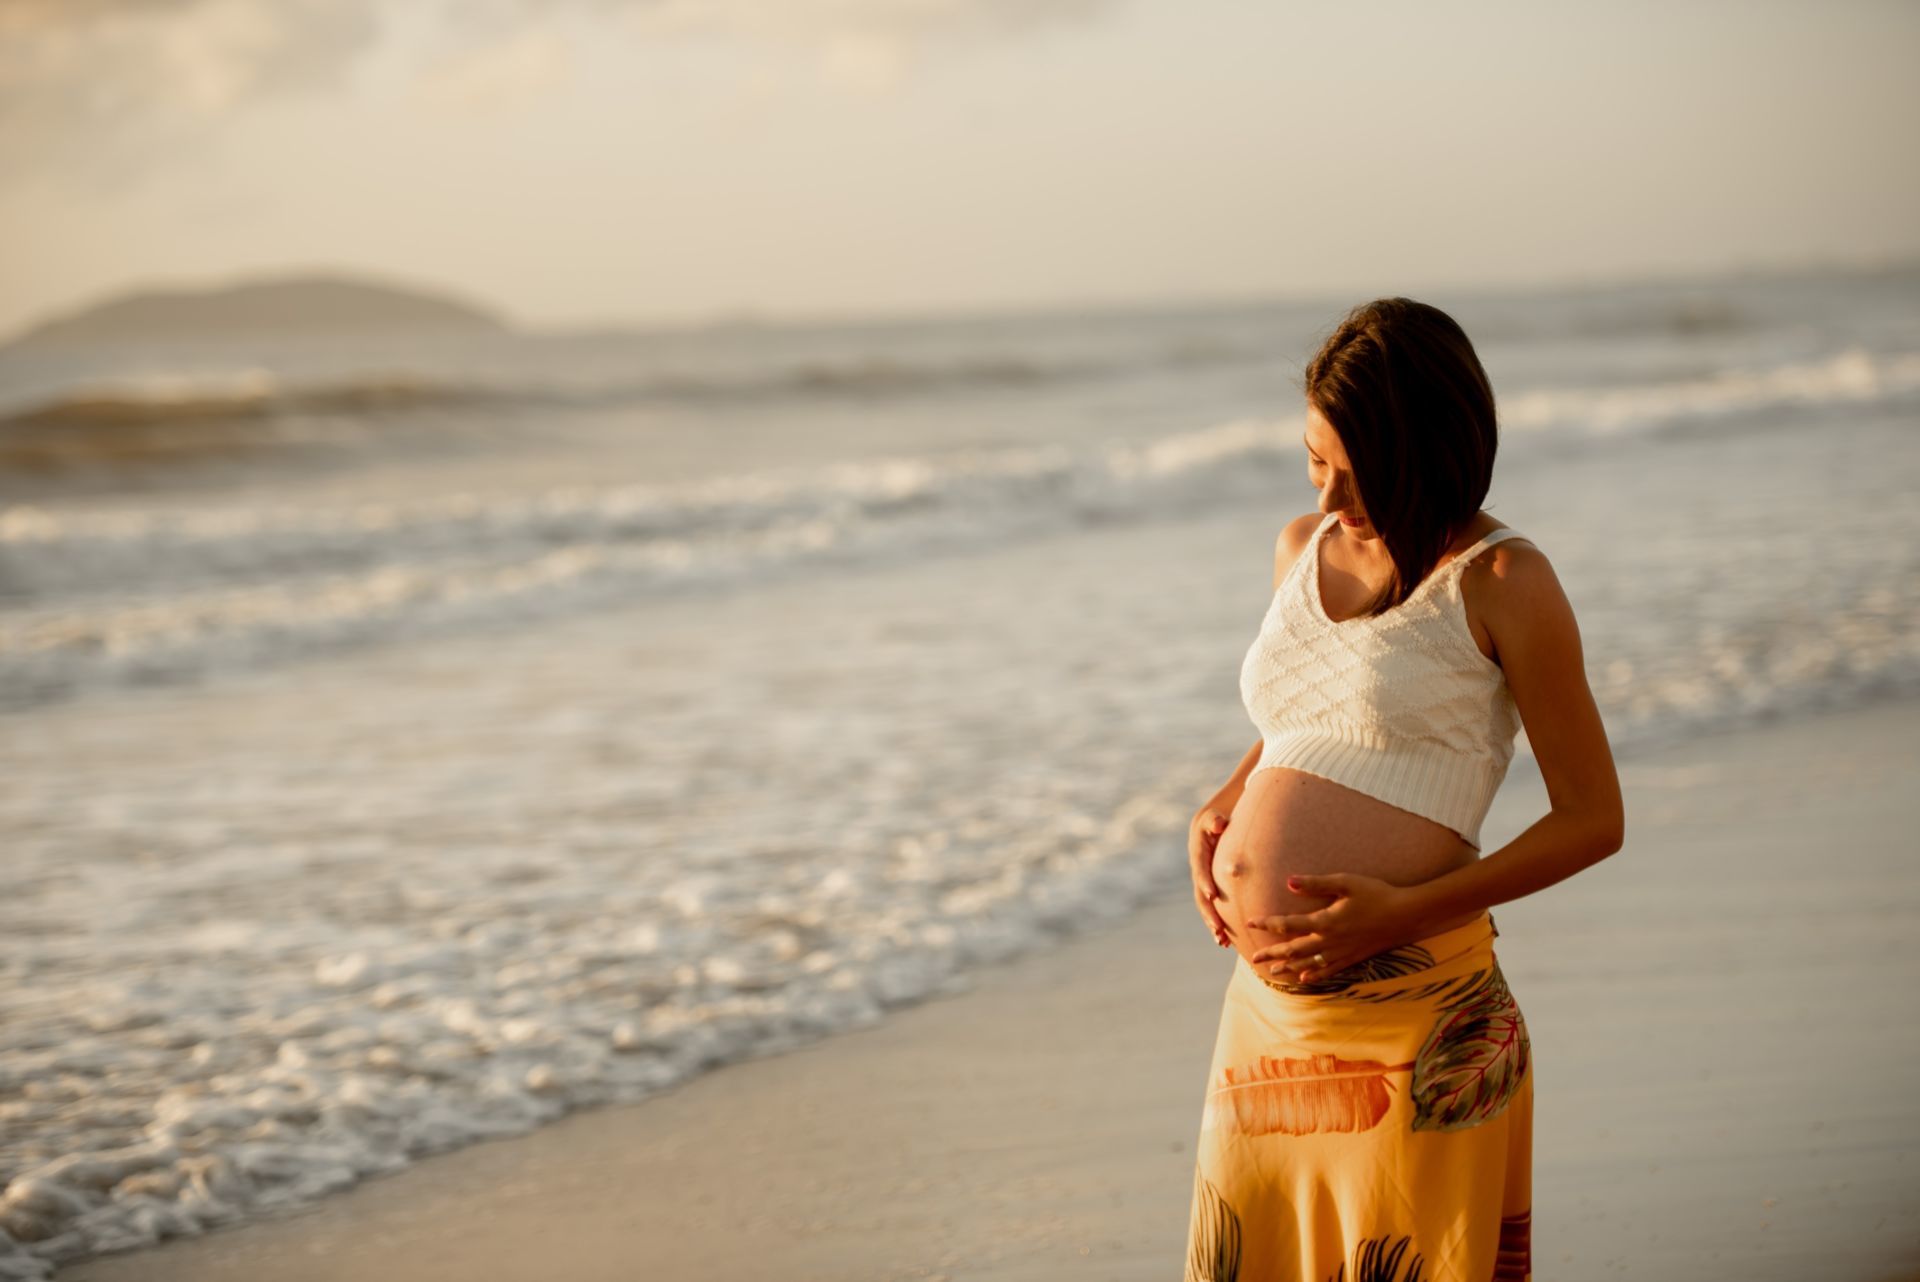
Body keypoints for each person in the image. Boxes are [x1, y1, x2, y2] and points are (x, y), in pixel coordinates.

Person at [1182, 298, 1624, 1282]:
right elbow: (1311, 717)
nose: (1332, 493)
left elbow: (1595, 819)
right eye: (1314, 460)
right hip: (1268, 1023)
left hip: (1419, 1018)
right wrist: (1225, 799)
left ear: (1429, 444)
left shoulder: (1503, 580)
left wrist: (1403, 911)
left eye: (1357, 465)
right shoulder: (1301, 546)